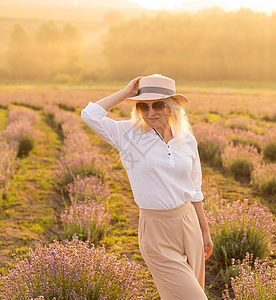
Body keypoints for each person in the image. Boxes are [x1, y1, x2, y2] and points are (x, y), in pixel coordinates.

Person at [80, 74, 213, 300]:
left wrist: (204, 230)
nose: (150, 112)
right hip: (156, 231)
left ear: (171, 106)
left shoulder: (187, 140)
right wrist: (125, 93)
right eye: (144, 105)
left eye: (158, 105)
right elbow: (89, 115)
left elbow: (194, 188)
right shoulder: (128, 135)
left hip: (189, 223)